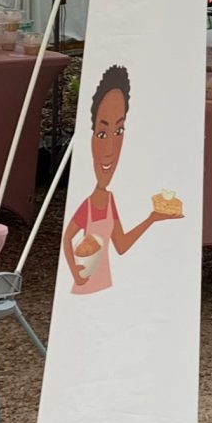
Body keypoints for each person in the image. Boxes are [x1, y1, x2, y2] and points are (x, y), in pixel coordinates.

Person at [59, 65, 183, 294]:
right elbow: (66, 238)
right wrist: (76, 272)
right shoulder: (88, 204)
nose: (109, 150)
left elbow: (121, 245)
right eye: (102, 133)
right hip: (84, 290)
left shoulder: (109, 199)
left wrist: (152, 218)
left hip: (106, 287)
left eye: (119, 131)